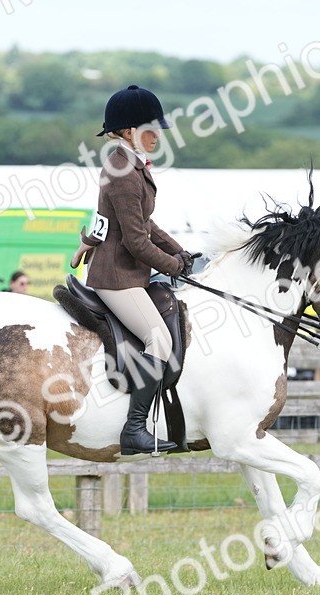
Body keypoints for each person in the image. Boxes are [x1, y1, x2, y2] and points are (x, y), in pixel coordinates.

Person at [72, 85, 195, 455]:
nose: (158, 135)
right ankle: (135, 428)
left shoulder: (128, 163)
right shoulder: (123, 169)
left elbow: (146, 222)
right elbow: (135, 242)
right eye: (150, 128)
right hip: (116, 276)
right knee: (159, 338)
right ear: (128, 132)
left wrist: (181, 252)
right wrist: (174, 267)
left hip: (127, 270)